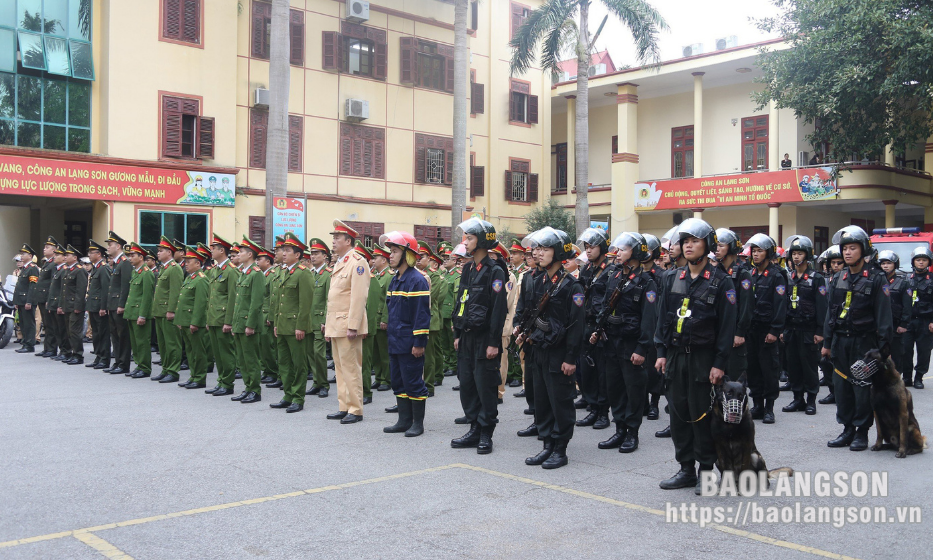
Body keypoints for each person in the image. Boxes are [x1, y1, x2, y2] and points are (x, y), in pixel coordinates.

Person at [655, 219, 736, 493]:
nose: (688, 246)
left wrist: (719, 364)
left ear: (708, 245)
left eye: (694, 241)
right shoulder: (671, 278)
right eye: (684, 241)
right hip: (677, 357)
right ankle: (686, 468)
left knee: (702, 416)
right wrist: (661, 352)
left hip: (704, 359)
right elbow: (663, 321)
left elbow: (726, 328)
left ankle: (706, 470)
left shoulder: (721, 281)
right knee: (678, 414)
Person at [516, 227, 584, 469]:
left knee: (560, 401)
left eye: (544, 248)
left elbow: (577, 327)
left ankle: (560, 448)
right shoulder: (538, 280)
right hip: (539, 349)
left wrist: (570, 358)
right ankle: (547, 445)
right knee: (542, 400)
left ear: (558, 252)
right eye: (537, 248)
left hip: (559, 353)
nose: (537, 252)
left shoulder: (571, 286)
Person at [823, 226, 892, 451]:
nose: (848, 253)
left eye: (853, 248)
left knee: (862, 388)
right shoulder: (838, 277)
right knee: (841, 387)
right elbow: (830, 313)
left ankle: (861, 432)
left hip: (864, 343)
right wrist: (826, 343)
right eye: (845, 249)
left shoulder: (876, 278)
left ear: (864, 250)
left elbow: (884, 317)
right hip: (840, 342)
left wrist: (883, 351)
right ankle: (847, 429)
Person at [593, 232, 657, 453]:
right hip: (612, 341)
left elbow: (649, 319)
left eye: (623, 249)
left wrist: (642, 348)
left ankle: (632, 432)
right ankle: (619, 429)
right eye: (617, 249)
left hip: (632, 345)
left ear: (636, 252)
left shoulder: (647, 282)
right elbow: (604, 306)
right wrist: (598, 329)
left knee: (634, 390)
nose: (617, 253)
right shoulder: (614, 275)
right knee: (615, 388)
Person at [450, 218, 508, 453]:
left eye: (470, 238)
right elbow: (460, 302)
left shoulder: (495, 272)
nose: (466, 242)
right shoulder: (467, 269)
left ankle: (486, 433)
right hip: (467, 337)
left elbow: (498, 310)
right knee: (467, 384)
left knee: (485, 386)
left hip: (485, 339)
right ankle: (474, 427)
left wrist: (494, 342)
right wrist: (457, 333)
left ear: (483, 242)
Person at [381, 231, 432, 437]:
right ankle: (404, 420)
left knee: (413, 382)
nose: (390, 256)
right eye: (390, 252)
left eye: (394, 252)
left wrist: (419, 343)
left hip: (410, 342)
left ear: (407, 255)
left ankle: (417, 423)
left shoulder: (416, 280)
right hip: (395, 340)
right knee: (398, 381)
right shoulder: (396, 280)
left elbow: (421, 315)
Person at [325, 220, 371, 424]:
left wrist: (353, 325)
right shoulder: (340, 261)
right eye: (333, 238)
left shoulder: (357, 261)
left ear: (348, 240)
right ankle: (344, 405)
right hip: (336, 323)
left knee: (351, 369)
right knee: (340, 368)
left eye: (337, 238)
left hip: (347, 325)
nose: (333, 241)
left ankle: (356, 409)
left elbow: (358, 297)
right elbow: (335, 297)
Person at [781, 235, 827, 415]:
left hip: (809, 330)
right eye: (794, 254)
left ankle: (811, 400)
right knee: (793, 366)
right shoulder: (788, 277)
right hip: (791, 328)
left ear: (807, 256)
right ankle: (797, 398)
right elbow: (783, 303)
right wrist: (783, 328)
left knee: (809, 366)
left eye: (800, 254)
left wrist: (820, 331)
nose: (796, 257)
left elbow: (822, 306)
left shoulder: (817, 278)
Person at [744, 233, 787, 424]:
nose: (755, 254)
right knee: (753, 368)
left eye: (759, 251)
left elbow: (780, 305)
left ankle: (769, 408)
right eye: (753, 251)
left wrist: (775, 330)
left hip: (767, 330)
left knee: (768, 369)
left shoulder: (777, 276)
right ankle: (757, 405)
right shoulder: (750, 274)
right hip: (751, 330)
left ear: (768, 253)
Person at [269, 232, 313, 413]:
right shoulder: (284, 272)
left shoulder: (303, 274)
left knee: (298, 364)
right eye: (283, 250)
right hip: (283, 326)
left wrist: (301, 326)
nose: (283, 253)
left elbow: (305, 303)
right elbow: (280, 301)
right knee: (284, 363)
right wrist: (277, 324)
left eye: (287, 250)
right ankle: (287, 395)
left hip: (296, 327)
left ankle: (298, 397)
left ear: (297, 255)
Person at [575, 227, 613, 430]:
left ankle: (603, 412)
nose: (588, 251)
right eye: (586, 247)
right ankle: (592, 407)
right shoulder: (587, 269)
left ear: (603, 247)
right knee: (587, 370)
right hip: (585, 324)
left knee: (601, 372)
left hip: (601, 327)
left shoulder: (610, 270)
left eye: (592, 247)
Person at [714, 229, 752, 386]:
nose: (716, 249)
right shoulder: (715, 272)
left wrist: (740, 332)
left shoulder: (743, 274)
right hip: (717, 331)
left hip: (734, 333)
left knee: (735, 378)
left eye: (721, 246)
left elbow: (746, 306)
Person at [230, 236, 266, 404]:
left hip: (248, 324)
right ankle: (247, 387)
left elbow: (256, 302)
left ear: (250, 254)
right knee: (242, 359)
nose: (239, 254)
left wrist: (250, 324)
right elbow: (239, 302)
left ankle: (255, 390)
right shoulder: (243, 273)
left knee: (251, 359)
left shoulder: (256, 274)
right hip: (239, 323)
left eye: (241, 251)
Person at [514, 232, 543, 437]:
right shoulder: (529, 277)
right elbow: (522, 306)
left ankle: (545, 422)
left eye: (540, 250)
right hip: (529, 337)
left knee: (544, 383)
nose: (535, 254)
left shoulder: (555, 279)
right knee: (531, 380)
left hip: (545, 338)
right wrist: (518, 325)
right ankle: (536, 417)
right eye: (534, 251)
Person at [205, 234, 239, 396]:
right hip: (214, 317)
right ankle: (221, 381)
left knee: (226, 352)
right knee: (217, 353)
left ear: (222, 251)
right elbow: (212, 296)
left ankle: (228, 383)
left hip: (223, 318)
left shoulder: (231, 271)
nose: (211, 251)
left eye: (214, 249)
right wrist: (208, 318)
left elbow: (233, 297)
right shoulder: (215, 270)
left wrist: (229, 321)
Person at [175, 246, 210, 389]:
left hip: (194, 322)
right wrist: (179, 320)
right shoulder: (190, 278)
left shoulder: (201, 279)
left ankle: (200, 378)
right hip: (185, 320)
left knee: (197, 351)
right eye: (186, 261)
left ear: (198, 263)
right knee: (189, 351)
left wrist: (195, 322)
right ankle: (193, 375)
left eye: (189, 261)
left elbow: (201, 303)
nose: (186, 264)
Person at [151, 237, 184, 384]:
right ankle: (165, 368)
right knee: (163, 343)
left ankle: (173, 371)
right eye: (158, 251)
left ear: (169, 252)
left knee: (172, 343)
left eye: (161, 251)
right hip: (159, 311)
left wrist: (172, 310)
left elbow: (175, 292)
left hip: (167, 311)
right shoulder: (164, 267)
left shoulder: (174, 268)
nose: (158, 253)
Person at [489, 241, 518, 404]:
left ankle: (499, 391)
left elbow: (503, 300)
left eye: (492, 257)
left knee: (502, 360)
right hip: (491, 323)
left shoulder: (508, 276)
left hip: (504, 323)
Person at [878, 251, 912, 385]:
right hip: (880, 325)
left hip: (896, 325)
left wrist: (904, 324)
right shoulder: (877, 281)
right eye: (883, 263)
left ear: (895, 265)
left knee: (897, 355)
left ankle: (896, 382)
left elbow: (907, 306)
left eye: (888, 263)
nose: (885, 266)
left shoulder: (902, 283)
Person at [416, 241, 445, 397]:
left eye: (423, 256)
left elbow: (429, 297)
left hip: (430, 319)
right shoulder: (413, 273)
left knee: (428, 355)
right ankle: (419, 383)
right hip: (417, 319)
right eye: (417, 256)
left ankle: (428, 385)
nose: (419, 259)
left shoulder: (433, 276)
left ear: (429, 258)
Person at [304, 238, 332, 398]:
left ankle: (323, 384)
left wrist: (325, 321)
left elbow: (330, 299)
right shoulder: (309, 274)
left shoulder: (328, 275)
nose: (312, 256)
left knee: (319, 353)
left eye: (316, 254)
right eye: (312, 254)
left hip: (319, 319)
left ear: (325, 257)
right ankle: (316, 382)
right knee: (310, 353)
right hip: (308, 320)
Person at [124, 243, 156, 377]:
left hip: (139, 313)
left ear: (141, 257)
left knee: (142, 342)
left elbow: (147, 297)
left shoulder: (146, 273)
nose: (130, 258)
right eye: (129, 255)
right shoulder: (135, 272)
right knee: (135, 342)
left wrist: (142, 315)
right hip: (131, 312)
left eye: (133, 255)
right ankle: (139, 365)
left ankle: (145, 367)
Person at [818, 245, 845, 405]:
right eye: (833, 262)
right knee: (824, 361)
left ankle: (841, 393)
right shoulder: (825, 280)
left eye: (839, 263)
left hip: (843, 326)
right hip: (827, 326)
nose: (835, 265)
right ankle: (833, 391)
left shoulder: (847, 280)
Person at [904, 247, 933, 389]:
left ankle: (919, 377)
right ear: (913, 262)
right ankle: (906, 377)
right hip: (908, 321)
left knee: (924, 351)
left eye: (924, 260)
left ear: (929, 262)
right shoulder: (905, 279)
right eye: (918, 260)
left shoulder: (932, 279)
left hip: (925, 321)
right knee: (905, 350)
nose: (921, 263)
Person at [355, 241, 379, 405]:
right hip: (354, 327)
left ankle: (366, 392)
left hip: (365, 329)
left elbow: (370, 308)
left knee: (364, 362)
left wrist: (365, 328)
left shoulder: (371, 279)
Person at [84, 240, 112, 370]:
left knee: (102, 334)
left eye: (91, 252)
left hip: (99, 307)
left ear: (99, 254)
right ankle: (98, 356)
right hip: (93, 306)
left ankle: (104, 359)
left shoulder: (104, 268)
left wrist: (103, 307)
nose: (89, 255)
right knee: (96, 333)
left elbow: (105, 289)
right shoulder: (96, 268)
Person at [60, 245, 89, 365]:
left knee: (74, 331)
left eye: (67, 255)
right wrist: (61, 305)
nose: (65, 257)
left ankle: (78, 354)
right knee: (68, 330)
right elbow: (64, 290)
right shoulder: (68, 269)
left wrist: (78, 306)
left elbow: (80, 290)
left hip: (75, 306)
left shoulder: (80, 270)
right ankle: (72, 353)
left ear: (75, 257)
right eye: (65, 255)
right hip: (67, 305)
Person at [371, 245, 393, 391]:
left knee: (384, 351)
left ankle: (387, 378)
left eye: (376, 258)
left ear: (384, 260)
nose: (373, 261)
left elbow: (388, 300)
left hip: (382, 319)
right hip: (373, 319)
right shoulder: (377, 276)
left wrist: (385, 318)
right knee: (375, 352)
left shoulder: (389, 276)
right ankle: (378, 377)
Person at [257, 245, 280, 386]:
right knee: (263, 346)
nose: (257, 262)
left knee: (269, 346)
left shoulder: (272, 275)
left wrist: (270, 317)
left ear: (268, 261)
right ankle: (266, 370)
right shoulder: (263, 274)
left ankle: (272, 371)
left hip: (267, 315)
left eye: (260, 259)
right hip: (262, 313)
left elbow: (273, 297)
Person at [13, 244, 39, 354]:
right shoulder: (24, 268)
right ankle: (25, 342)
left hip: (27, 300)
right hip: (21, 300)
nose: (21, 256)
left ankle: (29, 344)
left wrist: (29, 301)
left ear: (30, 255)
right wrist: (16, 301)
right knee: (23, 323)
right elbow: (19, 286)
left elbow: (33, 286)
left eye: (23, 254)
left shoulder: (32, 269)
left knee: (29, 323)